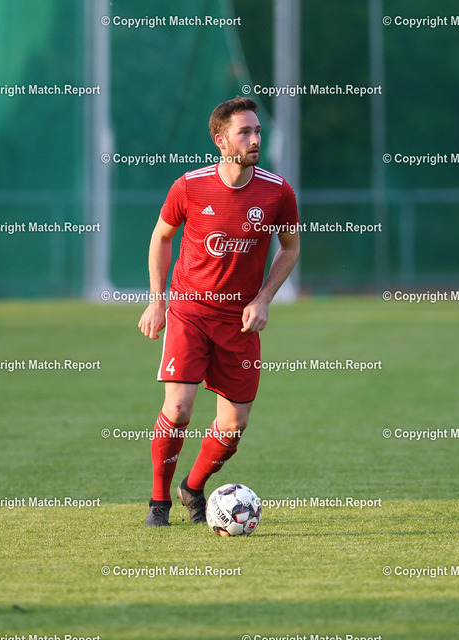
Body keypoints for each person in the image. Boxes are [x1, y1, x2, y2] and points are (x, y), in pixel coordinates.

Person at [138, 96, 300, 526]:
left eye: (258, 131)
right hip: (190, 311)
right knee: (179, 409)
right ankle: (158, 503)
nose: (255, 139)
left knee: (233, 425)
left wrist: (263, 298)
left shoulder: (277, 191)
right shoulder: (189, 186)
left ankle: (192, 487)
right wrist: (157, 300)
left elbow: (290, 247)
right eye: (244, 132)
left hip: (239, 322)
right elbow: (161, 237)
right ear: (220, 140)